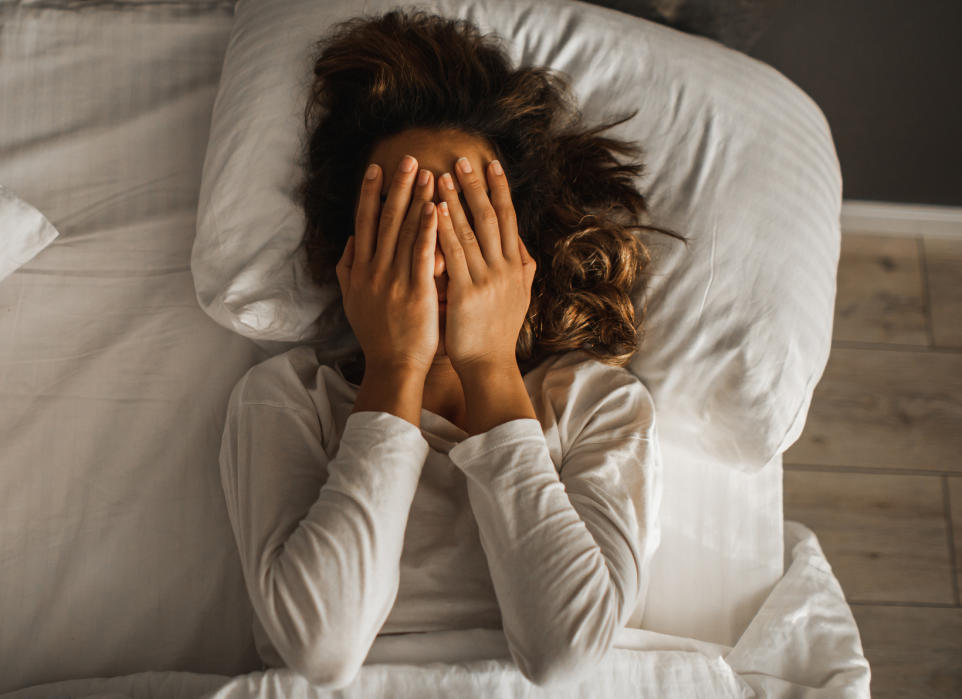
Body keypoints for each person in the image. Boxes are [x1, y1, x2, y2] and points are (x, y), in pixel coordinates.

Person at [217, 8, 688, 691]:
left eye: (468, 221)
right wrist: (395, 368)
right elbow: (322, 647)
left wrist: (490, 367)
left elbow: (567, 653)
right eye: (403, 221)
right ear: (349, 254)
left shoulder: (594, 403)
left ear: (518, 250)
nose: (439, 260)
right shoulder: (287, 399)